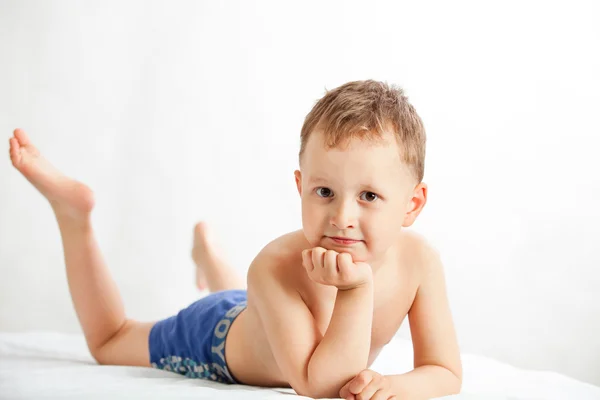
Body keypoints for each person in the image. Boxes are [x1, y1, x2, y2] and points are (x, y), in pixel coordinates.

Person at [8, 80, 461, 400]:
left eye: (369, 196)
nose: (342, 217)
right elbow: (319, 385)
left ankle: (210, 255)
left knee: (244, 298)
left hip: (256, 312)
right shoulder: (275, 265)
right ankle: (74, 216)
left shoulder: (419, 261)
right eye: (324, 192)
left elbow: (445, 370)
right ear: (300, 185)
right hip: (216, 339)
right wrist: (355, 290)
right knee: (110, 342)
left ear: (412, 205)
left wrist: (401, 386)